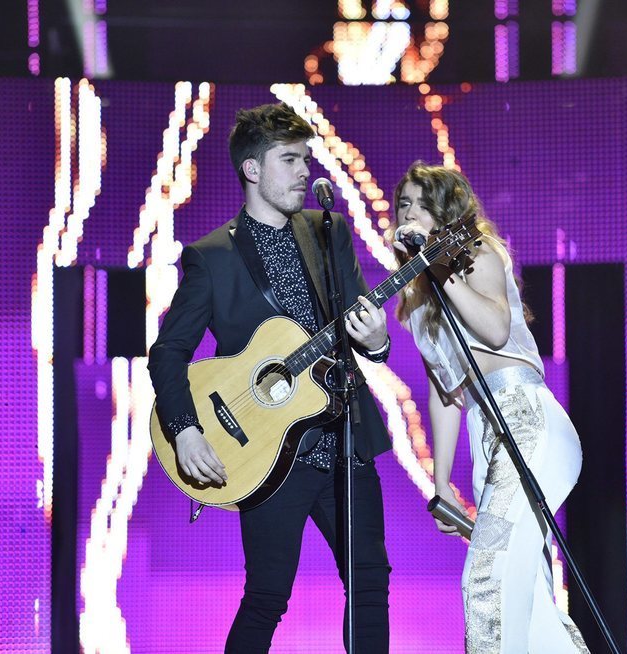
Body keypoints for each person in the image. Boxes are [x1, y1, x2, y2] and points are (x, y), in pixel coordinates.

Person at [147, 103, 393, 653]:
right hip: (266, 456)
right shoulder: (212, 257)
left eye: (306, 158)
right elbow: (167, 353)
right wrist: (185, 428)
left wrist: (376, 344)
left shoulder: (328, 232)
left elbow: (358, 325)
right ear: (253, 170)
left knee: (371, 584)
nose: (306, 170)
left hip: (343, 439)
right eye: (290, 159)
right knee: (267, 596)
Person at [391, 163, 590, 653]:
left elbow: (497, 330)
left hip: (524, 418)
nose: (409, 213)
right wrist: (440, 484)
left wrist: (438, 268)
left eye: (422, 203)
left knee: (487, 578)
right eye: (404, 205)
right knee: (530, 603)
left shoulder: (477, 255)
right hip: (486, 437)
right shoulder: (416, 301)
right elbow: (446, 390)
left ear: (446, 214)